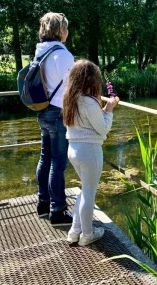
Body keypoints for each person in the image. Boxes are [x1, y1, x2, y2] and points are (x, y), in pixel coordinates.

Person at [62, 60, 120, 245]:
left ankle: (74, 231)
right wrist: (109, 110)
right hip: (89, 152)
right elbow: (102, 129)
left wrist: (102, 109)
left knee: (85, 190)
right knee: (89, 193)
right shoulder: (88, 101)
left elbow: (87, 122)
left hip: (74, 150)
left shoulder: (71, 99)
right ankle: (87, 235)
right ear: (91, 80)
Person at [35, 12, 75, 226]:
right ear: (60, 30)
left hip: (42, 111)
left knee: (45, 158)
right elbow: (73, 87)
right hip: (58, 113)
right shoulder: (62, 54)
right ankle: (57, 211)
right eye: (66, 28)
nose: (67, 32)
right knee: (59, 162)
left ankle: (43, 203)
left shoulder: (40, 51)